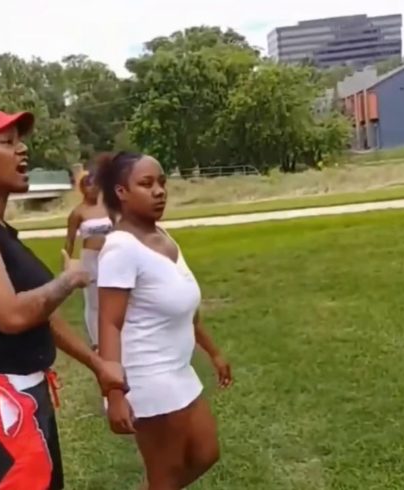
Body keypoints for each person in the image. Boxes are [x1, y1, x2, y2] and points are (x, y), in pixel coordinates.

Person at [0, 105, 127, 490]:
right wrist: (67, 281)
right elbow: (12, 316)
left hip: (21, 387)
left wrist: (97, 363)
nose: (22, 149)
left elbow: (41, 316)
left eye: (20, 141)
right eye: (6, 142)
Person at [95, 151, 233, 490]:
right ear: (121, 192)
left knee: (205, 453)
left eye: (161, 182)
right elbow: (109, 323)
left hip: (178, 370)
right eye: (146, 184)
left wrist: (213, 352)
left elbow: (185, 307)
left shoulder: (162, 236)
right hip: (148, 378)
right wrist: (114, 392)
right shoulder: (121, 249)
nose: (159, 191)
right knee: (166, 474)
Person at [65, 169, 114, 350]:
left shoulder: (107, 208)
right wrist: (68, 262)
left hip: (110, 256)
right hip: (90, 257)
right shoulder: (78, 212)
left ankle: (116, 333)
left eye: (96, 185)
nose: (93, 189)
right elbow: (70, 240)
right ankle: (96, 341)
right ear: (82, 188)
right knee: (94, 300)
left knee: (113, 294)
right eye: (88, 185)